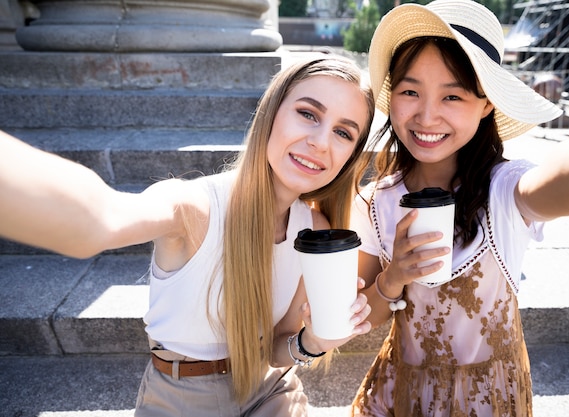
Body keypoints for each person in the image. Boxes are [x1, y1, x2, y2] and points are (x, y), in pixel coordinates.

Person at [0, 55, 375, 416]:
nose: (322, 142)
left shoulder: (316, 232)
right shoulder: (193, 207)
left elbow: (278, 351)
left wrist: (313, 342)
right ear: (271, 113)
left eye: (343, 132)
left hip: (271, 392)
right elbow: (99, 219)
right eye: (308, 114)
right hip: (181, 397)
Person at [349, 1, 569, 416]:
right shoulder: (377, 202)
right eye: (411, 91)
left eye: (453, 95)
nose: (427, 115)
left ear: (487, 104)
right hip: (398, 395)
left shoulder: (504, 191)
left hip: (488, 401)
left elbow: (568, 183)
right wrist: (393, 278)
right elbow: (362, 315)